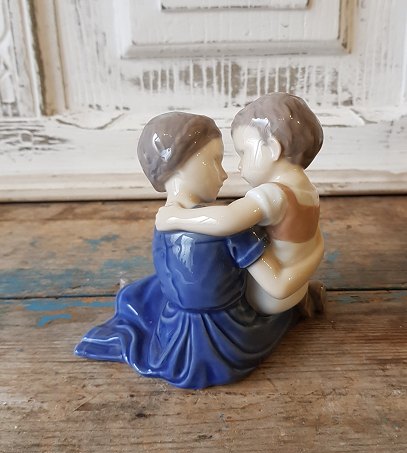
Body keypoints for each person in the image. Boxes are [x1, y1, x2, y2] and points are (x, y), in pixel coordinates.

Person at [74, 111, 300, 389]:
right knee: (284, 311)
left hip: (171, 331)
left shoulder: (162, 222)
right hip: (226, 337)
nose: (224, 174)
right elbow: (274, 283)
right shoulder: (232, 229)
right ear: (179, 163)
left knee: (144, 297)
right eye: (215, 161)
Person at [156, 93, 326, 317]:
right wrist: (317, 254)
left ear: (272, 148)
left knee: (239, 235)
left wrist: (175, 217)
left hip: (267, 297)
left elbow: (227, 219)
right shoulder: (309, 191)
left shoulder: (274, 194)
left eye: (243, 153)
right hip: (297, 287)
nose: (238, 166)